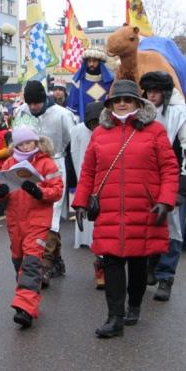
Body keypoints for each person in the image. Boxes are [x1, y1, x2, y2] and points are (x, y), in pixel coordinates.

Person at [73, 80, 178, 338]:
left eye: (127, 100)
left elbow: (169, 168)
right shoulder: (99, 133)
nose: (121, 103)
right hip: (109, 208)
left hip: (143, 207)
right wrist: (80, 202)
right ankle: (114, 316)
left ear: (137, 103)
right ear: (109, 105)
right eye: (116, 100)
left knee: (139, 261)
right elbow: (88, 172)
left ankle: (134, 305)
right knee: (111, 261)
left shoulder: (154, 131)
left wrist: (165, 200)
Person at [140, 71, 186, 301]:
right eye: (149, 91)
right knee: (148, 224)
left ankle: (167, 276)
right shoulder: (143, 112)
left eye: (157, 91)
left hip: (173, 178)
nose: (152, 95)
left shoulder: (179, 114)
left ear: (164, 92)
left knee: (173, 229)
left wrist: (183, 186)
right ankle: (152, 266)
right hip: (147, 179)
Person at [0, 125, 63, 328]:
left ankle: (25, 308)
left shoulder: (47, 164)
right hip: (15, 222)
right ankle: (26, 298)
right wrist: (1, 193)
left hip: (37, 221)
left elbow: (57, 191)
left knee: (31, 262)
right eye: (21, 143)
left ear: (36, 141)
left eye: (29, 142)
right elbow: (0, 189)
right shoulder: (9, 162)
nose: (26, 146)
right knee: (18, 261)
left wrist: (38, 191)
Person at [15, 80, 74, 283]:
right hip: (29, 164)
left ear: (44, 100)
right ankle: (55, 259)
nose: (33, 108)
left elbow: (70, 139)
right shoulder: (22, 112)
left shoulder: (61, 114)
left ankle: (45, 264)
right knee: (33, 212)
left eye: (37, 104)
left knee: (52, 212)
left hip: (54, 162)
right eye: (30, 104)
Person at [70, 101, 104, 289]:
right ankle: (101, 265)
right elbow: (76, 156)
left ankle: (104, 262)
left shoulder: (110, 133)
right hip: (87, 181)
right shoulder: (78, 132)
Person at [66, 48, 115, 123]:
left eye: (94, 61)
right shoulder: (78, 82)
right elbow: (73, 106)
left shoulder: (110, 82)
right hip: (84, 124)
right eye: (89, 61)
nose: (91, 64)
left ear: (100, 63)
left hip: (106, 123)